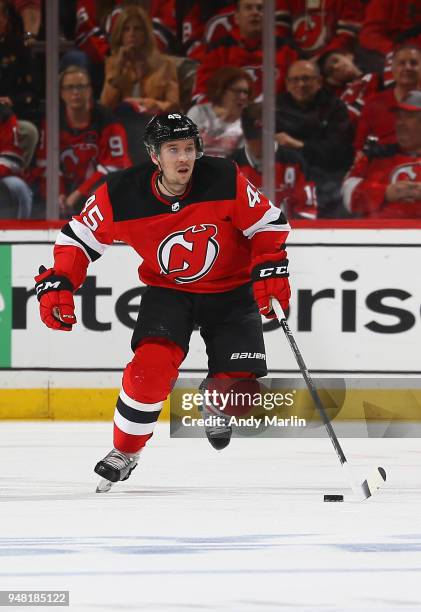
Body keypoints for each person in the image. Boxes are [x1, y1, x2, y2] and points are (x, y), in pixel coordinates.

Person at [33, 113, 291, 492]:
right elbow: (78, 237)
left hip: (231, 291)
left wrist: (270, 267)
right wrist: (61, 278)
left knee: (239, 396)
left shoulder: (223, 178)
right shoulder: (120, 193)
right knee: (147, 372)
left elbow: (269, 224)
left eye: (189, 149)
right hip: (169, 292)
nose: (183, 158)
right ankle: (125, 453)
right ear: (155, 155)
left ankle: (216, 402)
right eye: (173, 150)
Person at [32, 65, 131, 217]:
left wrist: (78, 193)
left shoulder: (106, 119)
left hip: (98, 190)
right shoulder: (52, 120)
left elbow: (116, 165)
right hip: (64, 190)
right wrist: (58, 194)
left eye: (81, 86)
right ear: (61, 93)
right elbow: (45, 164)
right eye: (70, 87)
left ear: (90, 90)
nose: (76, 92)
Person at [275, 59, 354, 216]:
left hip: (325, 174)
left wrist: (299, 145)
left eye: (306, 79)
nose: (301, 84)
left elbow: (339, 152)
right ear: (287, 83)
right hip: (285, 173)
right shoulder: (275, 107)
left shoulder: (335, 107)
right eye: (295, 80)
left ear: (319, 82)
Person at [191, 0, 298, 105]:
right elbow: (201, 94)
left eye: (260, 8)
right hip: (227, 118)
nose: (255, 13)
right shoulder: (218, 50)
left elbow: (299, 93)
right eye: (248, 8)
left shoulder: (289, 50)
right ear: (236, 18)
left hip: (278, 118)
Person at [229, 102, 318, 218]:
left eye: (264, 138)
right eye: (254, 138)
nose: (259, 143)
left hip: (289, 232)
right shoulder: (231, 165)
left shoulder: (294, 162)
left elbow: (307, 210)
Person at [342, 90, 421, 217]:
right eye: (398, 116)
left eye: (408, 117)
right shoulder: (375, 155)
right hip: (377, 233)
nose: (400, 123)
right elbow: (347, 193)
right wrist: (384, 192)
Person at [100, 5, 179, 115]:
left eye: (137, 29)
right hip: (124, 123)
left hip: (154, 122)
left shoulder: (166, 64)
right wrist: (118, 70)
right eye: (126, 29)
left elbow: (174, 105)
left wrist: (148, 104)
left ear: (146, 33)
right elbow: (105, 106)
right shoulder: (113, 64)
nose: (131, 34)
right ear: (120, 35)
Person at [354, 45, 421, 151]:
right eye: (401, 63)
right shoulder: (374, 103)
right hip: (385, 163)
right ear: (393, 69)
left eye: (413, 63)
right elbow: (360, 145)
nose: (407, 67)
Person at [187, 66, 253, 158]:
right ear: (221, 90)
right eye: (237, 91)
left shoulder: (245, 122)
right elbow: (185, 148)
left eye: (245, 92)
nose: (243, 97)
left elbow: (242, 160)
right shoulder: (199, 113)